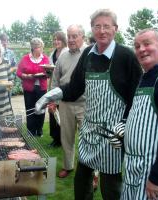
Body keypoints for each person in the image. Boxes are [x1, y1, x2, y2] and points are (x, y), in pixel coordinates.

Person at [35, 9, 142, 199]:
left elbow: (137, 97)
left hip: (113, 134)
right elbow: (74, 88)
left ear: (115, 29)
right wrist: (51, 95)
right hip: (89, 130)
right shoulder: (88, 55)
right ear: (92, 29)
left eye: (106, 26)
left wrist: (126, 123)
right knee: (82, 180)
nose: (102, 31)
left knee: (110, 186)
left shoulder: (126, 56)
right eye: (97, 26)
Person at [120, 28, 158, 200]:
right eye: (137, 46)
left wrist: (157, 177)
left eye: (147, 44)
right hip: (134, 167)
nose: (141, 49)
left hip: (154, 171)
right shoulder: (145, 77)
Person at [50, 24, 87, 178]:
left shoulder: (90, 53)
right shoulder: (63, 56)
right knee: (67, 137)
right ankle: (68, 166)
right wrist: (52, 100)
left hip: (86, 104)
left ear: (82, 37)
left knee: (88, 139)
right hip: (65, 103)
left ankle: (90, 170)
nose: (71, 39)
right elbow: (55, 80)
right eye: (69, 36)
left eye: (74, 36)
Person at [16, 38, 49, 137]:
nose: (40, 49)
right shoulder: (25, 58)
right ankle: (30, 131)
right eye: (38, 47)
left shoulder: (45, 58)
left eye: (41, 47)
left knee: (41, 109)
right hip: (29, 88)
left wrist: (47, 73)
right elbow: (19, 72)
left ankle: (39, 130)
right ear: (33, 48)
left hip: (42, 87)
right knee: (30, 109)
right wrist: (26, 76)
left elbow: (48, 72)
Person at [47, 31, 68, 147]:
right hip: (53, 87)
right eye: (54, 39)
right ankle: (55, 138)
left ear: (63, 40)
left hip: (63, 88)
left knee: (62, 114)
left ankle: (61, 139)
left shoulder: (67, 53)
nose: (56, 41)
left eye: (58, 39)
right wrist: (48, 71)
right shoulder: (52, 54)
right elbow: (51, 72)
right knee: (52, 112)